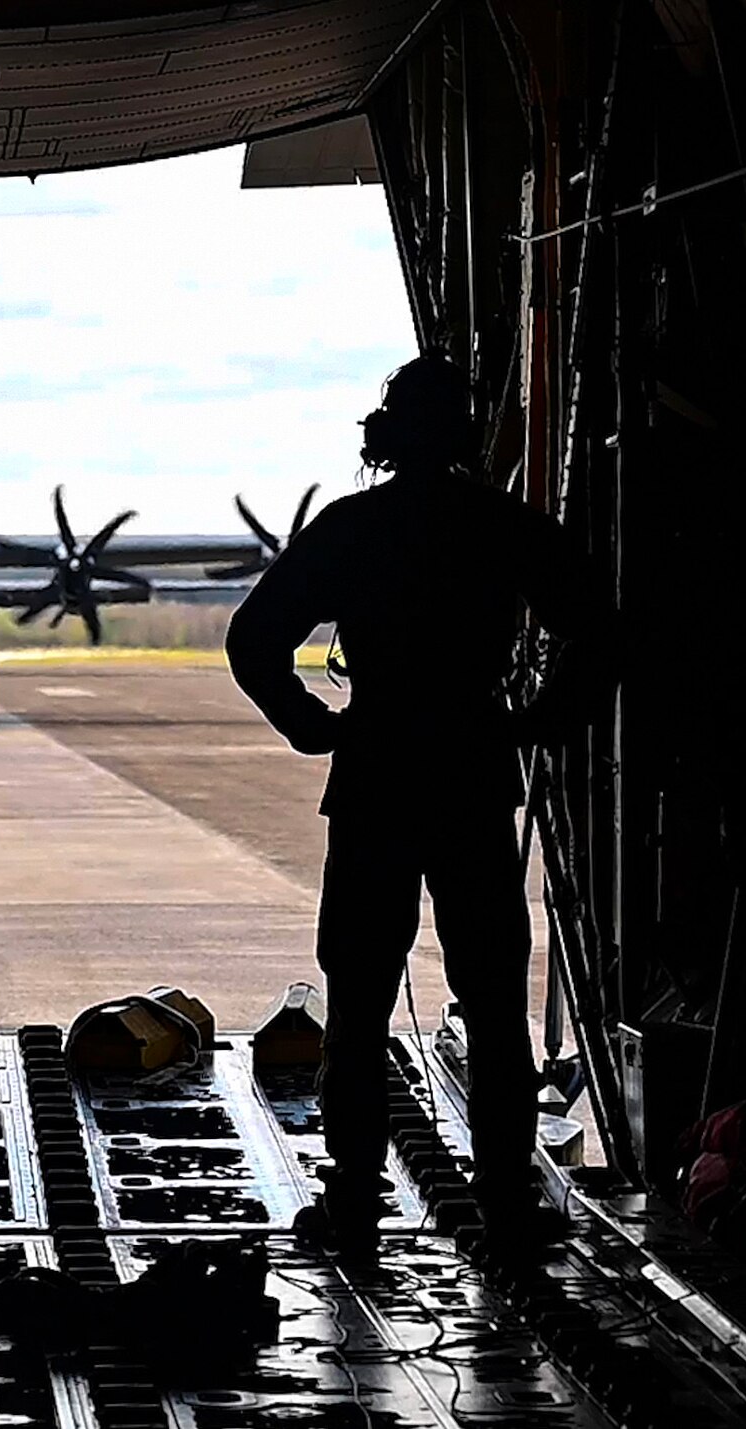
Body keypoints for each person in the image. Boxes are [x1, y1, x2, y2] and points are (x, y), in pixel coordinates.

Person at [226, 352, 613, 1260]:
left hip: (377, 769)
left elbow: (254, 638)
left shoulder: (352, 529)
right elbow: (598, 626)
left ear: (384, 436)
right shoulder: (504, 527)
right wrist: (543, 719)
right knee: (490, 992)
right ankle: (508, 1206)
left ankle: (355, 1198)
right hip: (473, 771)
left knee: (358, 996)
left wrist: (311, 724)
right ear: (468, 433)